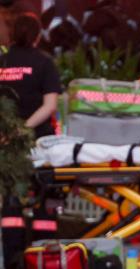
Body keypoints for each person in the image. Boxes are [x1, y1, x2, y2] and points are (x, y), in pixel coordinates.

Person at [0, 12, 62, 269]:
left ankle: (13, 262)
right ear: (38, 35)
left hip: (6, 146)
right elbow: (49, 106)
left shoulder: (2, 62)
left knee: (11, 205)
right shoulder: (44, 63)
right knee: (45, 202)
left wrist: (9, 133)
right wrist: (24, 129)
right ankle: (43, 259)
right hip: (41, 145)